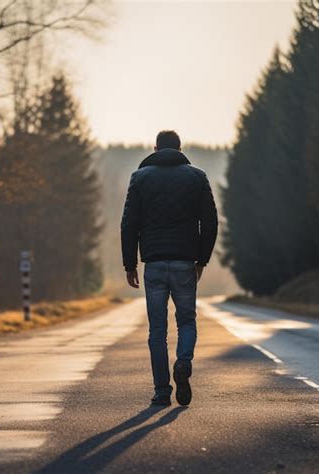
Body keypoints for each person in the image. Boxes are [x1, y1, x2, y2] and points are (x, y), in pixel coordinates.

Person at [121, 130, 218, 406]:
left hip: (153, 263)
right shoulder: (197, 177)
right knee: (186, 320)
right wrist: (202, 260)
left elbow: (129, 224)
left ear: (155, 148)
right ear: (179, 148)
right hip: (184, 261)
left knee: (157, 331)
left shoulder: (139, 178)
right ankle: (183, 364)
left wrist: (130, 264)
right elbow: (210, 222)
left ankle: (162, 391)